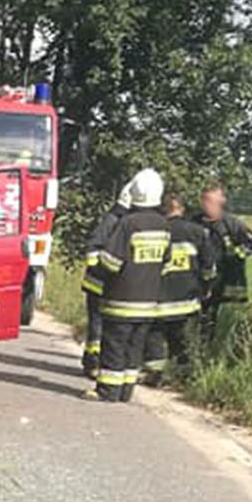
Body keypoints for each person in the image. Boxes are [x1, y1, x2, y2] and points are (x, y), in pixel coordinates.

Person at [88, 168, 170, 403]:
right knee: (134, 349)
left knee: (114, 345)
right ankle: (125, 391)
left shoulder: (128, 224)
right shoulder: (164, 225)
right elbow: (165, 262)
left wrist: (98, 267)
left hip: (121, 300)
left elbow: (112, 262)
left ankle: (107, 391)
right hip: (148, 303)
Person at [145, 191, 217, 384]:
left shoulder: (155, 231)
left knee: (155, 336)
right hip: (187, 298)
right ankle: (185, 376)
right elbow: (209, 268)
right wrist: (206, 288)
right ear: (183, 209)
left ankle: (155, 375)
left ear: (162, 210)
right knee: (183, 338)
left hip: (157, 298)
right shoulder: (198, 232)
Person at [80, 181, 132, 378]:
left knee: (103, 326)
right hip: (97, 284)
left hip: (110, 285)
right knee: (97, 326)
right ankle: (92, 362)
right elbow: (93, 249)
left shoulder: (120, 220)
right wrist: (103, 272)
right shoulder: (113, 220)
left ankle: (97, 361)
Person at [194, 184, 252, 329]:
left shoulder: (232, 224)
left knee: (227, 321)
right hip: (201, 281)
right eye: (205, 200)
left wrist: (235, 256)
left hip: (229, 280)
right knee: (202, 320)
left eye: (212, 201)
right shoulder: (194, 222)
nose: (207, 204)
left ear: (221, 202)